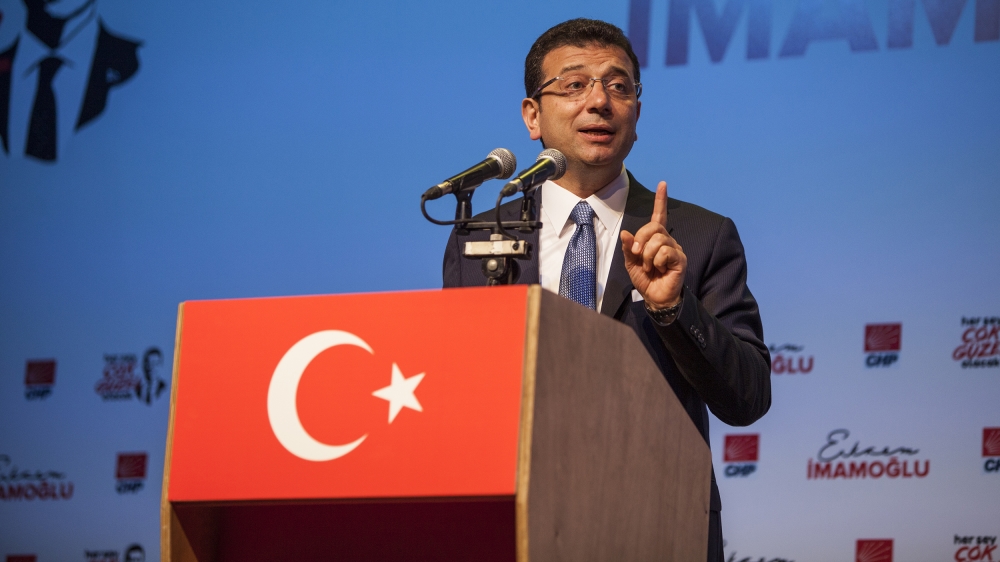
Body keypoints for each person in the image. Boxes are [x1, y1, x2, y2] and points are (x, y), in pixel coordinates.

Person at [442, 18, 771, 561]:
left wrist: (672, 307)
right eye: (574, 85)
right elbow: (460, 394)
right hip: (515, 518)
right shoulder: (478, 238)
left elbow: (748, 398)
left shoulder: (698, 237)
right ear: (532, 116)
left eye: (619, 86)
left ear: (637, 112)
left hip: (655, 522)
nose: (599, 102)